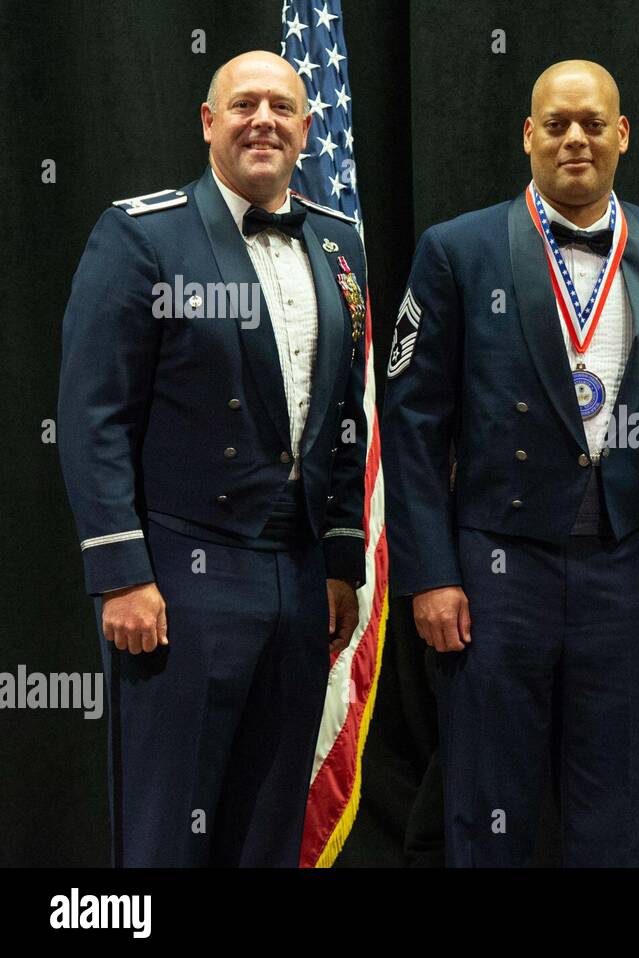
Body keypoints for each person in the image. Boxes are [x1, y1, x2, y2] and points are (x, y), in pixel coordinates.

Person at [381, 60, 639, 866]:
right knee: (487, 801)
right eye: (558, 124)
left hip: (627, 569)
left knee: (617, 805)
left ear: (623, 135)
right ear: (528, 135)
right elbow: (413, 420)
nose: (576, 138)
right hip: (495, 573)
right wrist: (430, 572)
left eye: (594, 123)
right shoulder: (456, 249)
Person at [57, 51, 370, 867]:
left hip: (300, 580)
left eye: (280, 107)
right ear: (208, 122)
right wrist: (122, 573)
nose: (262, 119)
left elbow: (345, 417)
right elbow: (92, 416)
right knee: (167, 830)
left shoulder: (341, 245)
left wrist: (341, 556)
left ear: (307, 129)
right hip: (181, 575)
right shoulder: (142, 234)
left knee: (267, 829)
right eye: (243, 105)